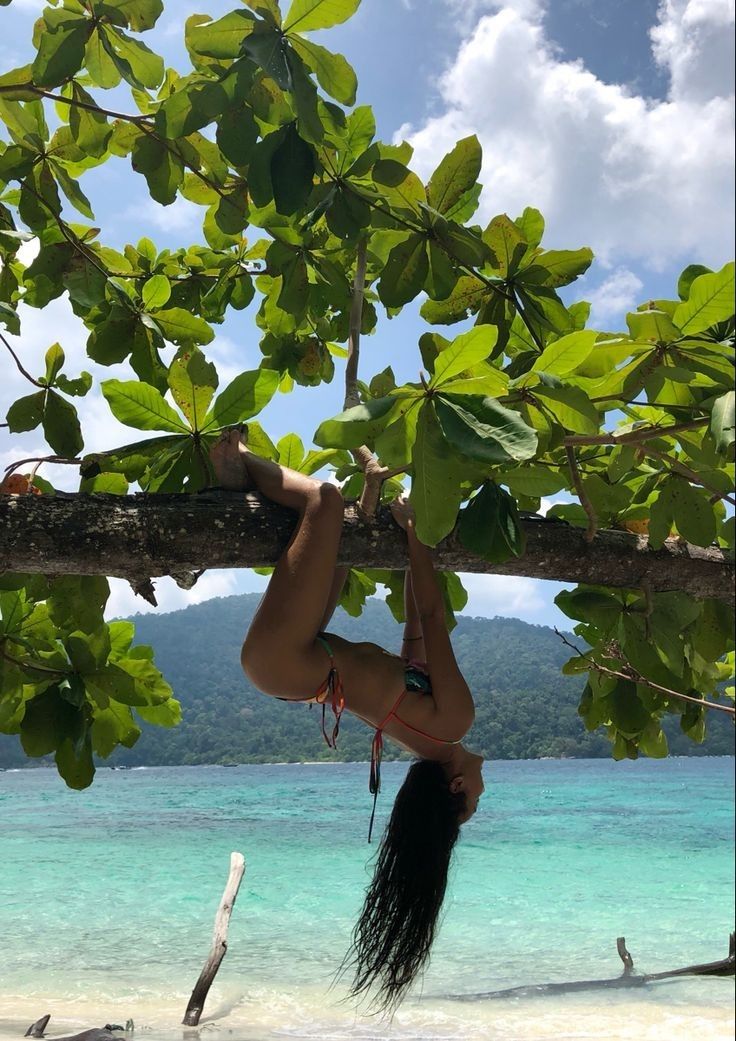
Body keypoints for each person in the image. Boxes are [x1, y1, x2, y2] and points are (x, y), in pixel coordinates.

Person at [210, 427, 485, 1010]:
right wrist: (408, 541)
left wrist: (416, 534)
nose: (485, 792)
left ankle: (234, 465)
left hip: (291, 662)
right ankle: (314, 487)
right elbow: (416, 619)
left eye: (475, 802)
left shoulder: (453, 724)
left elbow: (436, 614)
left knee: (324, 502)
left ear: (458, 788)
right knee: (347, 529)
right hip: (299, 661)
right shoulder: (425, 732)